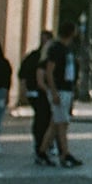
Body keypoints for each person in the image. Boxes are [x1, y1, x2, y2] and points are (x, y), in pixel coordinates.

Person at [37, 22, 82, 168]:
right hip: (60, 90)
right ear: (71, 32)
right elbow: (49, 71)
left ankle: (42, 152)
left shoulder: (66, 49)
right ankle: (65, 154)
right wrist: (54, 91)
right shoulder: (57, 49)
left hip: (66, 89)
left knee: (55, 124)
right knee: (62, 123)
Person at [19, 32, 52, 165]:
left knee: (46, 119)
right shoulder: (35, 57)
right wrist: (24, 90)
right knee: (41, 118)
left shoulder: (50, 57)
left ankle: (45, 144)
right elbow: (23, 74)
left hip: (44, 92)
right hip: (37, 92)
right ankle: (41, 145)